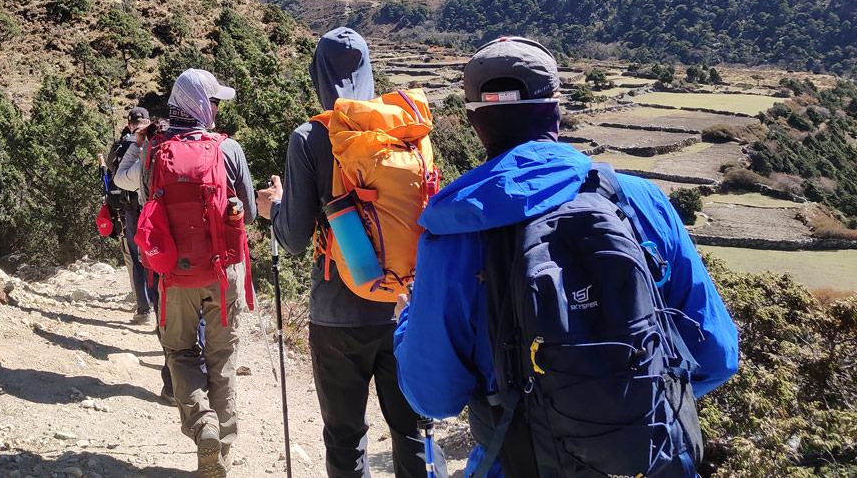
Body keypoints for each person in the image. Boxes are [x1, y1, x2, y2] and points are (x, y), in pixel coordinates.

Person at [393, 36, 739, 478]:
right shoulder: (640, 201)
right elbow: (718, 356)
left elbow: (432, 396)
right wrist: (621, 407)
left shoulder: (454, 230)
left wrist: (406, 324)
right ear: (556, 107)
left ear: (474, 122)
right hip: (655, 460)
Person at [256, 27, 445, 478]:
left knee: (345, 435)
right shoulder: (408, 132)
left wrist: (272, 209)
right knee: (413, 431)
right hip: (406, 306)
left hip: (338, 313)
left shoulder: (310, 137)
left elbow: (295, 239)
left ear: (317, 75)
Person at [120, 68, 256, 478]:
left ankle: (202, 426)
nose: (216, 109)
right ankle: (223, 454)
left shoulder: (155, 149)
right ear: (199, 104)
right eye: (213, 101)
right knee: (223, 357)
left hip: (175, 277)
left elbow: (147, 207)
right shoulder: (227, 149)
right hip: (221, 273)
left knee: (179, 352)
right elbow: (247, 211)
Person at [106, 105, 161, 325]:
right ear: (148, 122)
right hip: (154, 210)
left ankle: (143, 308)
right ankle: (162, 310)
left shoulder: (124, 144)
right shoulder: (158, 144)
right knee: (157, 257)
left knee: (137, 259)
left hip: (131, 210)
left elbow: (114, 173)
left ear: (130, 124)